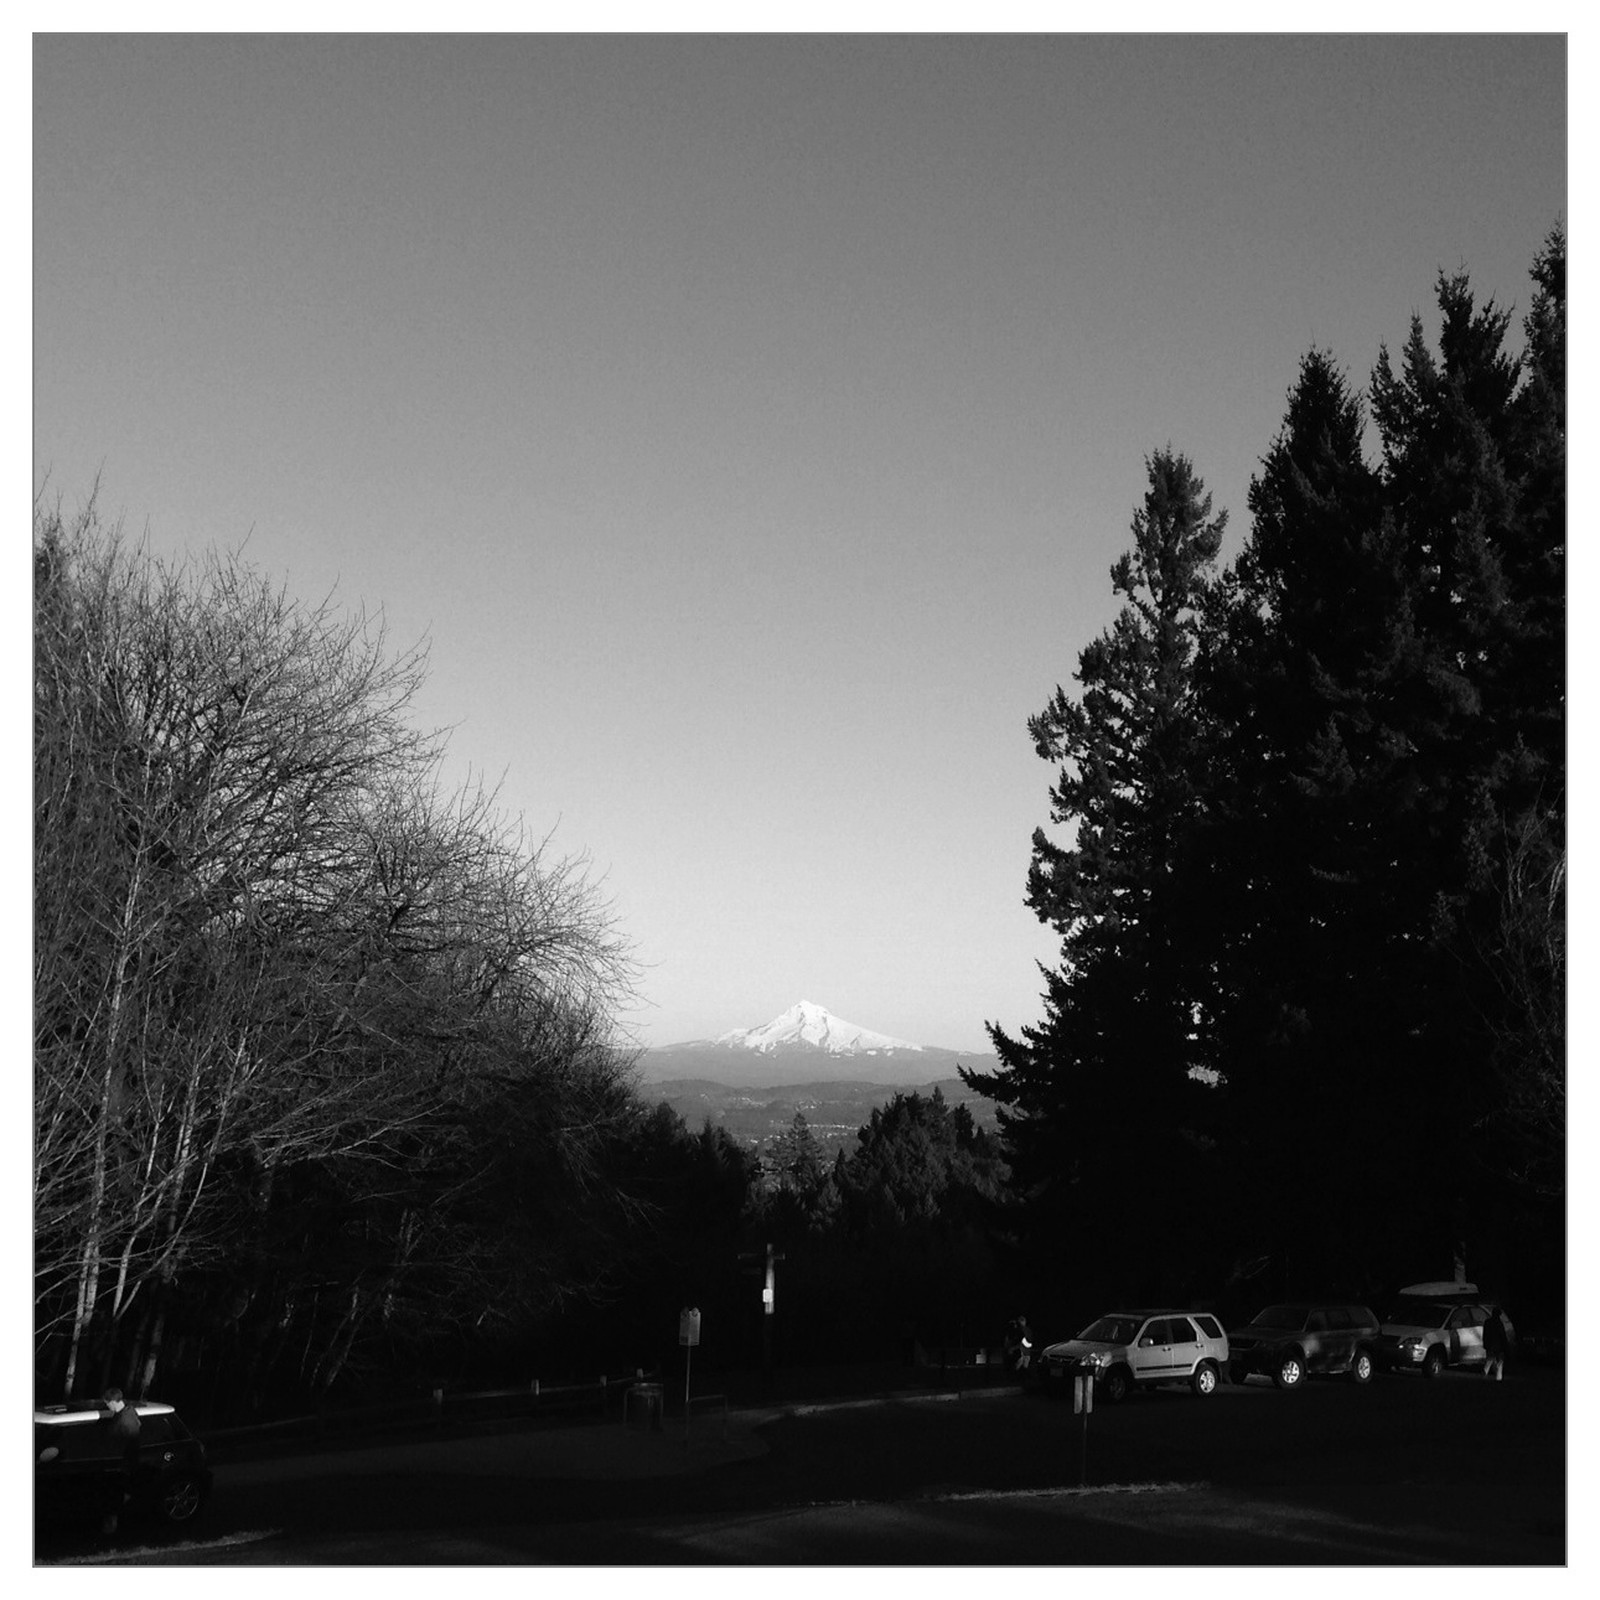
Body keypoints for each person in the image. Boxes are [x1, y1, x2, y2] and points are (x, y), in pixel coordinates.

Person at [98, 1387, 142, 1537]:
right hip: (121, 1464)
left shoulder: (126, 1420)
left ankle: (114, 1528)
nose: (107, 1407)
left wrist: (126, 1468)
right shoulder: (127, 1413)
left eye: (107, 1404)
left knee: (118, 1497)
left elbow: (132, 1446)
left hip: (122, 1466)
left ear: (113, 1402)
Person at [1482, 1309, 1507, 1381]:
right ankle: (1498, 1378)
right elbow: (1503, 1336)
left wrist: (1485, 1344)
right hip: (1499, 1346)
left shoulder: (1487, 1322)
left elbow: (1485, 1335)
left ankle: (1484, 1376)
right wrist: (1505, 1346)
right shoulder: (1499, 1323)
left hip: (1490, 1345)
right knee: (1500, 1363)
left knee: (1489, 1362)